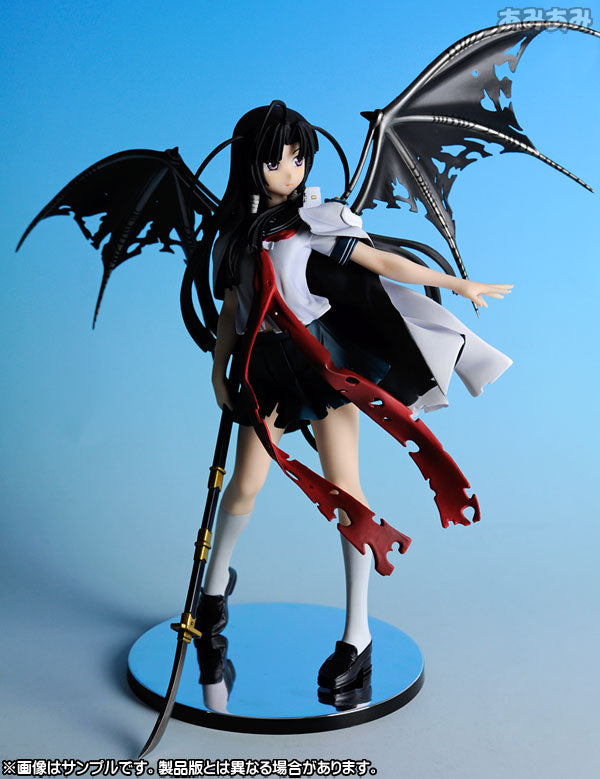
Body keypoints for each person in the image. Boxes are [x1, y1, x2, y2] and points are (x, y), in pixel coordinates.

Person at [194, 101, 512, 692]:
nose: (290, 170)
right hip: (264, 368)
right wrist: (219, 372)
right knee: (246, 483)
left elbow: (382, 261)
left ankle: (357, 636)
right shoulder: (234, 236)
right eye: (276, 160)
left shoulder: (315, 222)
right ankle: (213, 590)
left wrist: (455, 282)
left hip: (322, 364)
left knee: (346, 491)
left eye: (298, 159)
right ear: (249, 163)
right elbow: (233, 308)